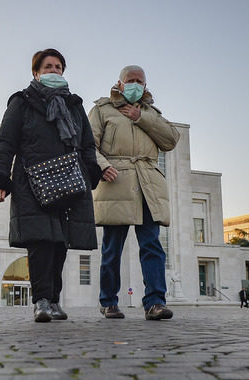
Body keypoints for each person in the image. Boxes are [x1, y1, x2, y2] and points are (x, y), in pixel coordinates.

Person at [0, 48, 102, 323]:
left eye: (58, 67)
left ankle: (54, 300)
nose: (54, 71)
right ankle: (41, 300)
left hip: (68, 181)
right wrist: (1, 178)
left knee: (60, 242)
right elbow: (6, 142)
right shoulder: (22, 102)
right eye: (48, 67)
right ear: (36, 73)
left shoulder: (74, 105)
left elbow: (86, 143)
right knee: (40, 242)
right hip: (32, 180)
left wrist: (90, 173)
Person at [89, 65, 180, 321]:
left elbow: (171, 140)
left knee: (152, 245)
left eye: (140, 81)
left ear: (146, 85)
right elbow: (87, 144)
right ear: (119, 83)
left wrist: (141, 117)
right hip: (116, 181)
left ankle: (155, 302)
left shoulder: (151, 113)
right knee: (112, 248)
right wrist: (103, 165)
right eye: (131, 80)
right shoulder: (102, 110)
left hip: (148, 184)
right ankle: (108, 301)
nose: (135, 85)